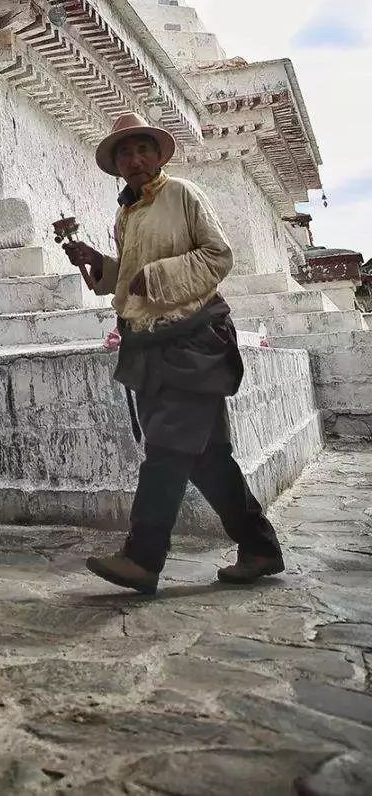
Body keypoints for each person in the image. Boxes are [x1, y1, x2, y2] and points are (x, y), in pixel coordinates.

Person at [60, 112, 284, 595]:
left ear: (159, 155)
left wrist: (157, 276)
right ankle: (260, 547)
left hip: (193, 339)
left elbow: (218, 256)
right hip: (152, 342)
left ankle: (142, 559)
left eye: (142, 149)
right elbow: (129, 279)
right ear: (116, 164)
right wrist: (98, 264)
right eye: (125, 152)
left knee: (164, 452)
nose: (135, 159)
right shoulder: (126, 214)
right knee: (208, 458)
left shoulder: (182, 194)